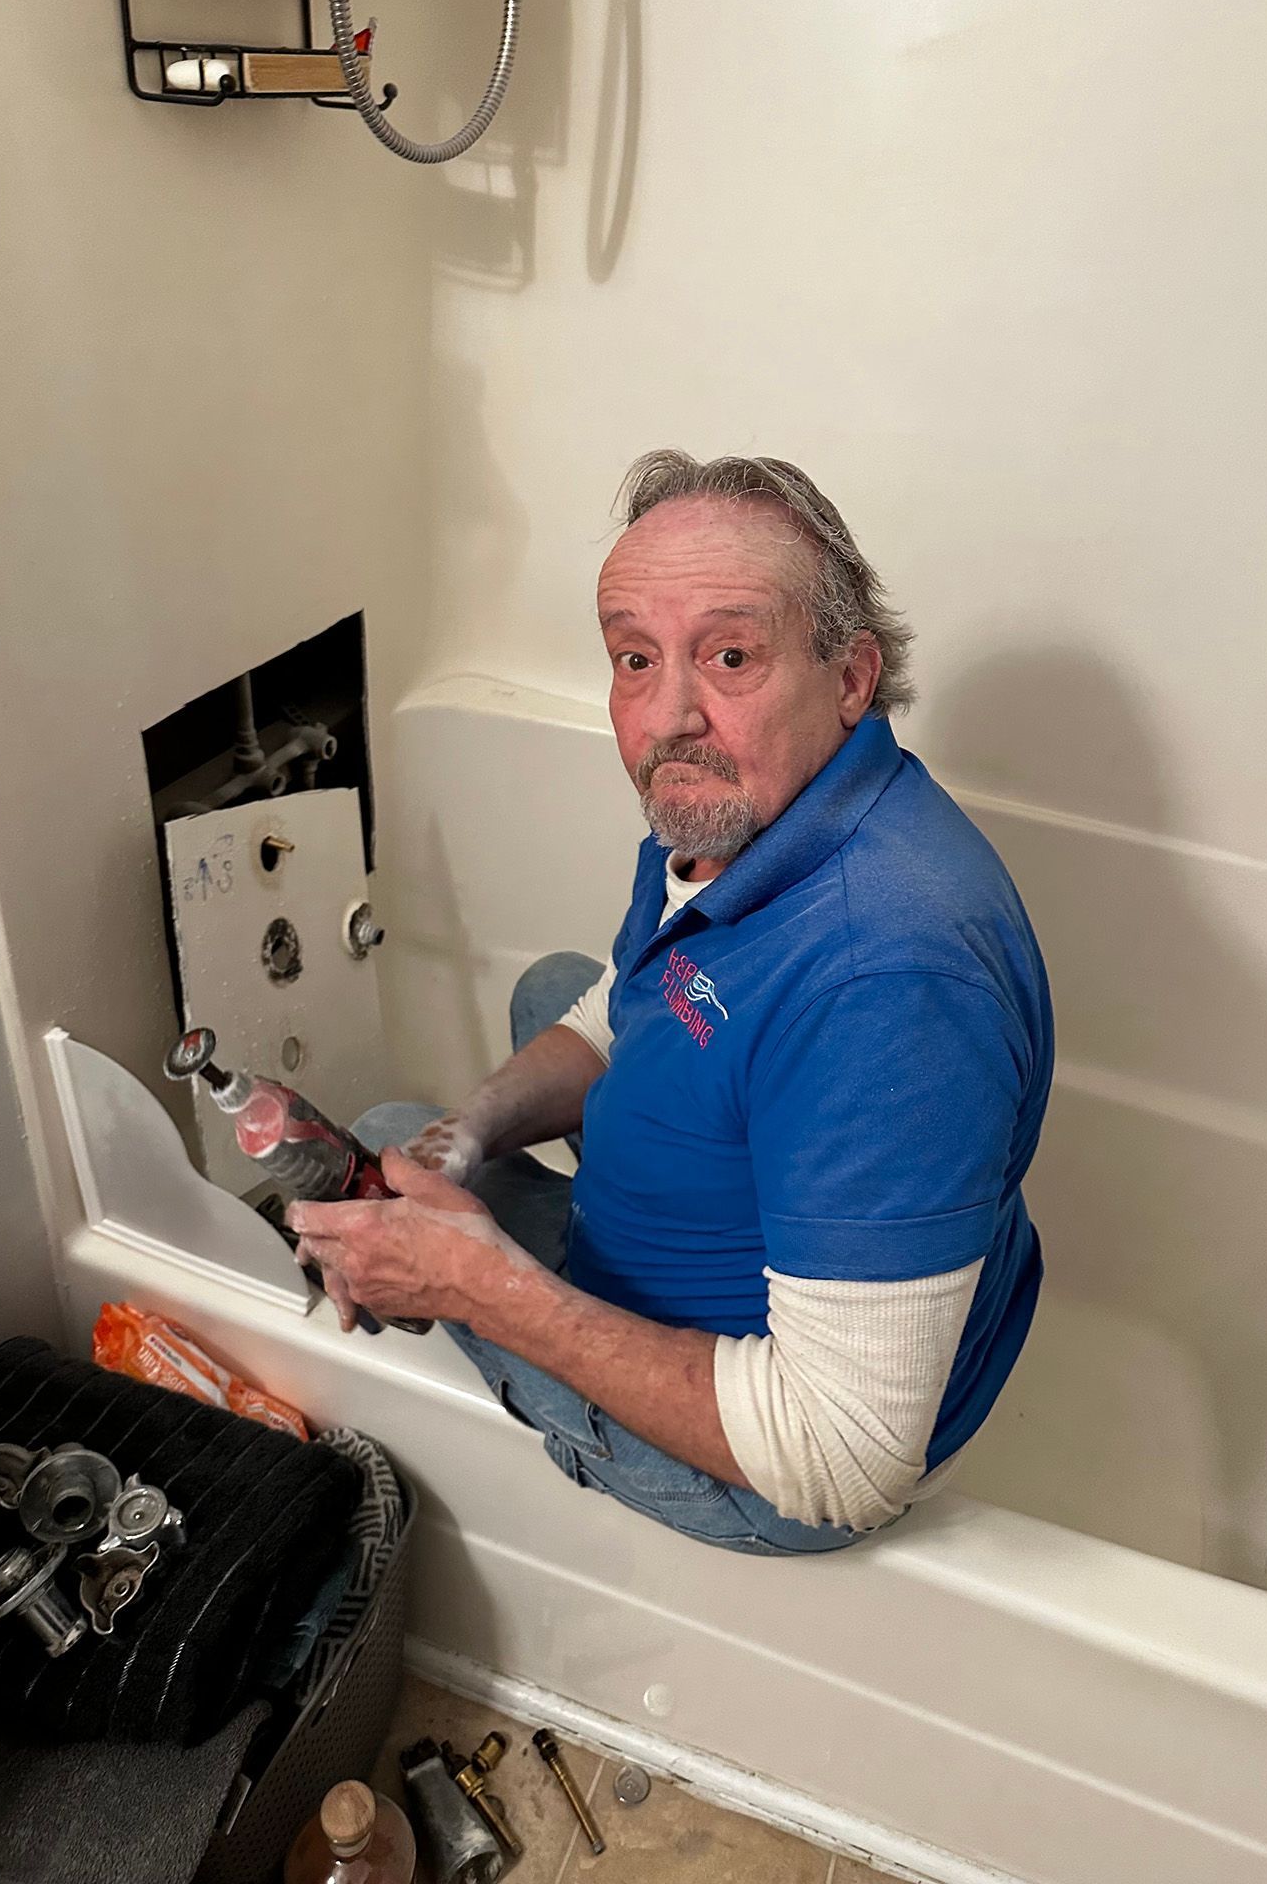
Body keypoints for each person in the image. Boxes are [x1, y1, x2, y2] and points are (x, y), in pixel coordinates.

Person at [291, 451, 1052, 1556]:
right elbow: (618, 1001)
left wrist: (479, 1285)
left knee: (375, 1142)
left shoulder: (884, 980)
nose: (668, 717)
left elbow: (841, 1459)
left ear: (850, 675)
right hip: (765, 1214)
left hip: (767, 1453)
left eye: (731, 654)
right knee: (539, 1006)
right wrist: (471, 1139)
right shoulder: (750, 813)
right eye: (635, 657)